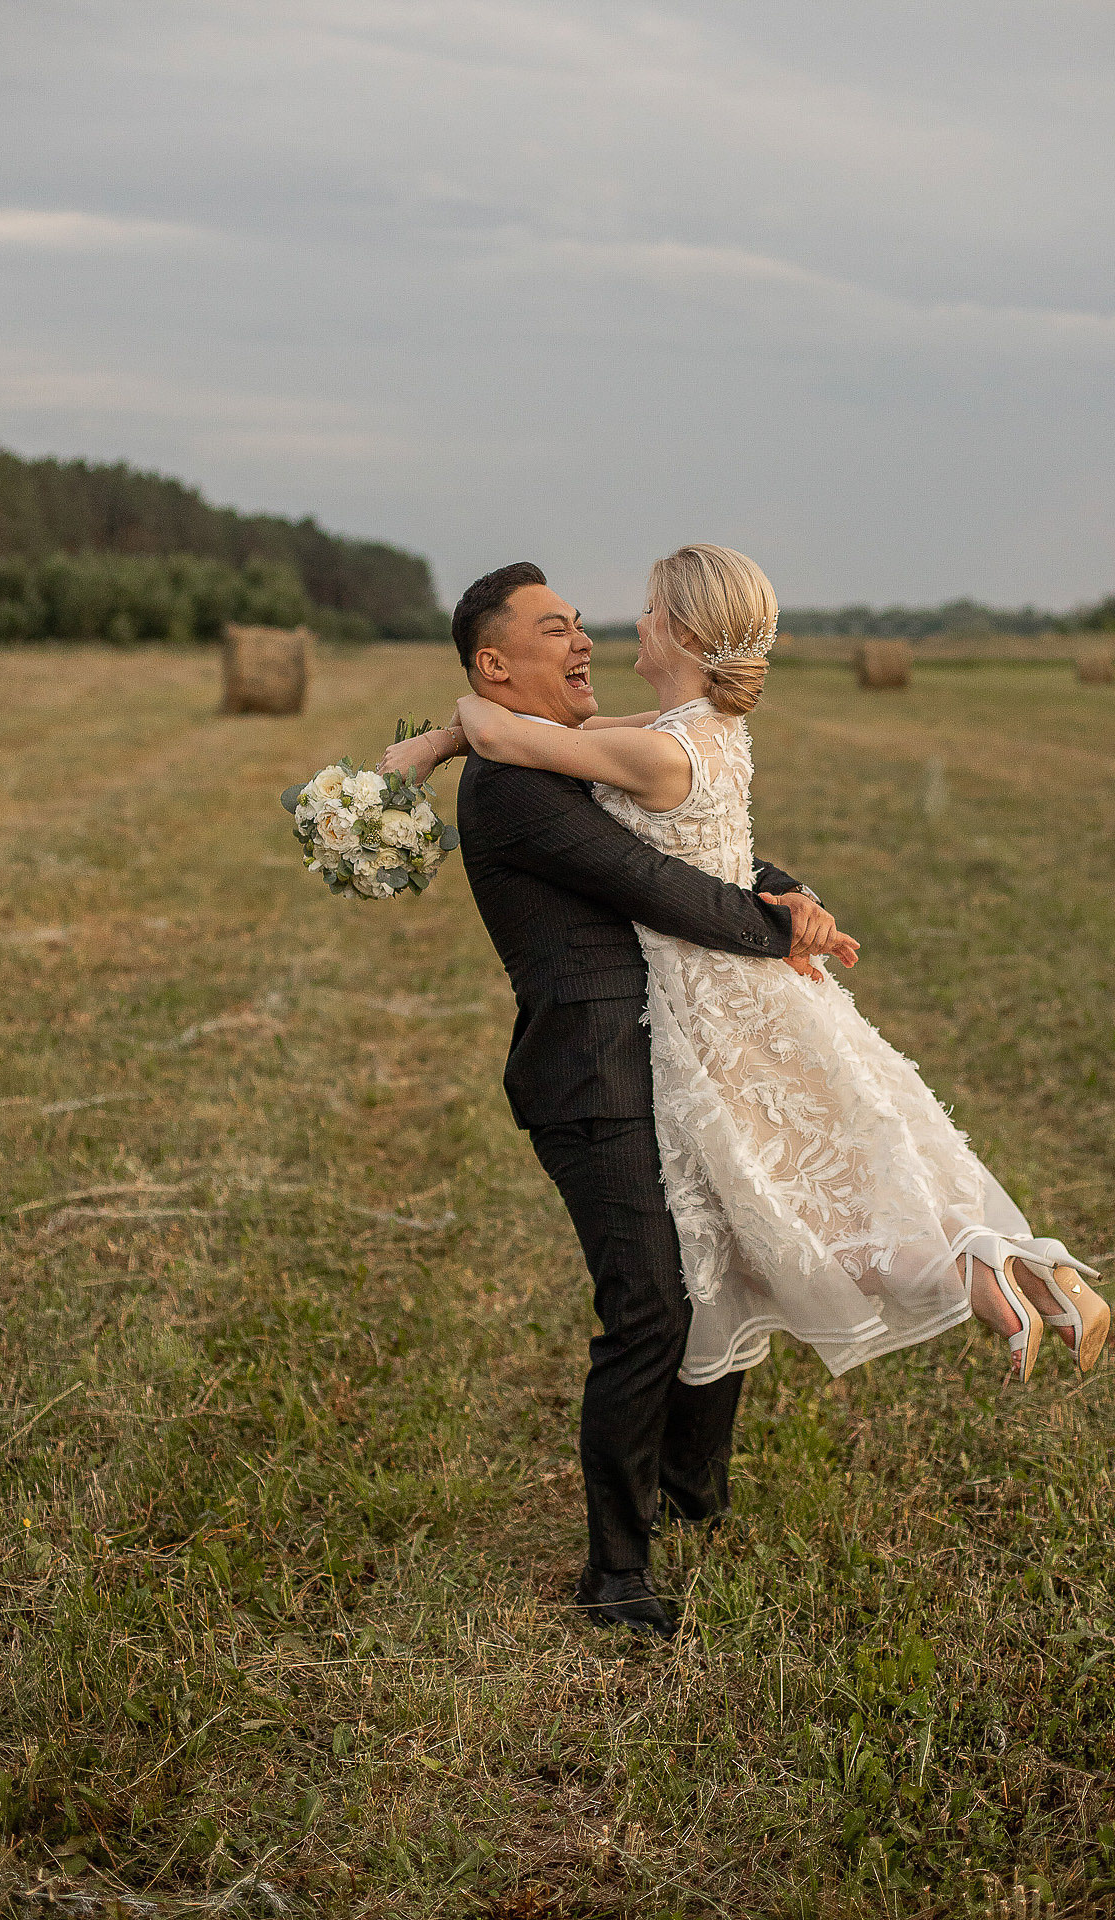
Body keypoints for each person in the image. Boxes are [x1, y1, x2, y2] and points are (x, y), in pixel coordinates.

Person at [378, 561, 837, 1639]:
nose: (582, 642)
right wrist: (780, 925)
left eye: (583, 623)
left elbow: (690, 835)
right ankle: (614, 1575)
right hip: (588, 1079)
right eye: (553, 631)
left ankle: (690, 1488)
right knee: (648, 1304)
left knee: (715, 1264)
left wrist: (786, 888)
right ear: (496, 665)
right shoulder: (512, 789)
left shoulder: (561, 759)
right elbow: (663, 890)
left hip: (663, 1060)